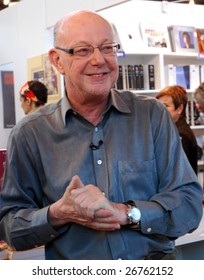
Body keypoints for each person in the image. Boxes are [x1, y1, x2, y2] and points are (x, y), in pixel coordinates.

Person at [0, 10, 203, 260]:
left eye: (107, 48)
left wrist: (126, 213)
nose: (99, 60)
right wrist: (57, 213)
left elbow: (189, 206)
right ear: (57, 60)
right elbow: (9, 226)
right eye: (83, 50)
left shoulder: (152, 117)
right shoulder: (30, 134)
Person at [156, 85, 198, 174]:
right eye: (158, 106)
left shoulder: (181, 134)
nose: (159, 110)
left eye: (165, 106)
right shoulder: (173, 129)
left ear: (179, 108)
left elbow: (177, 172)